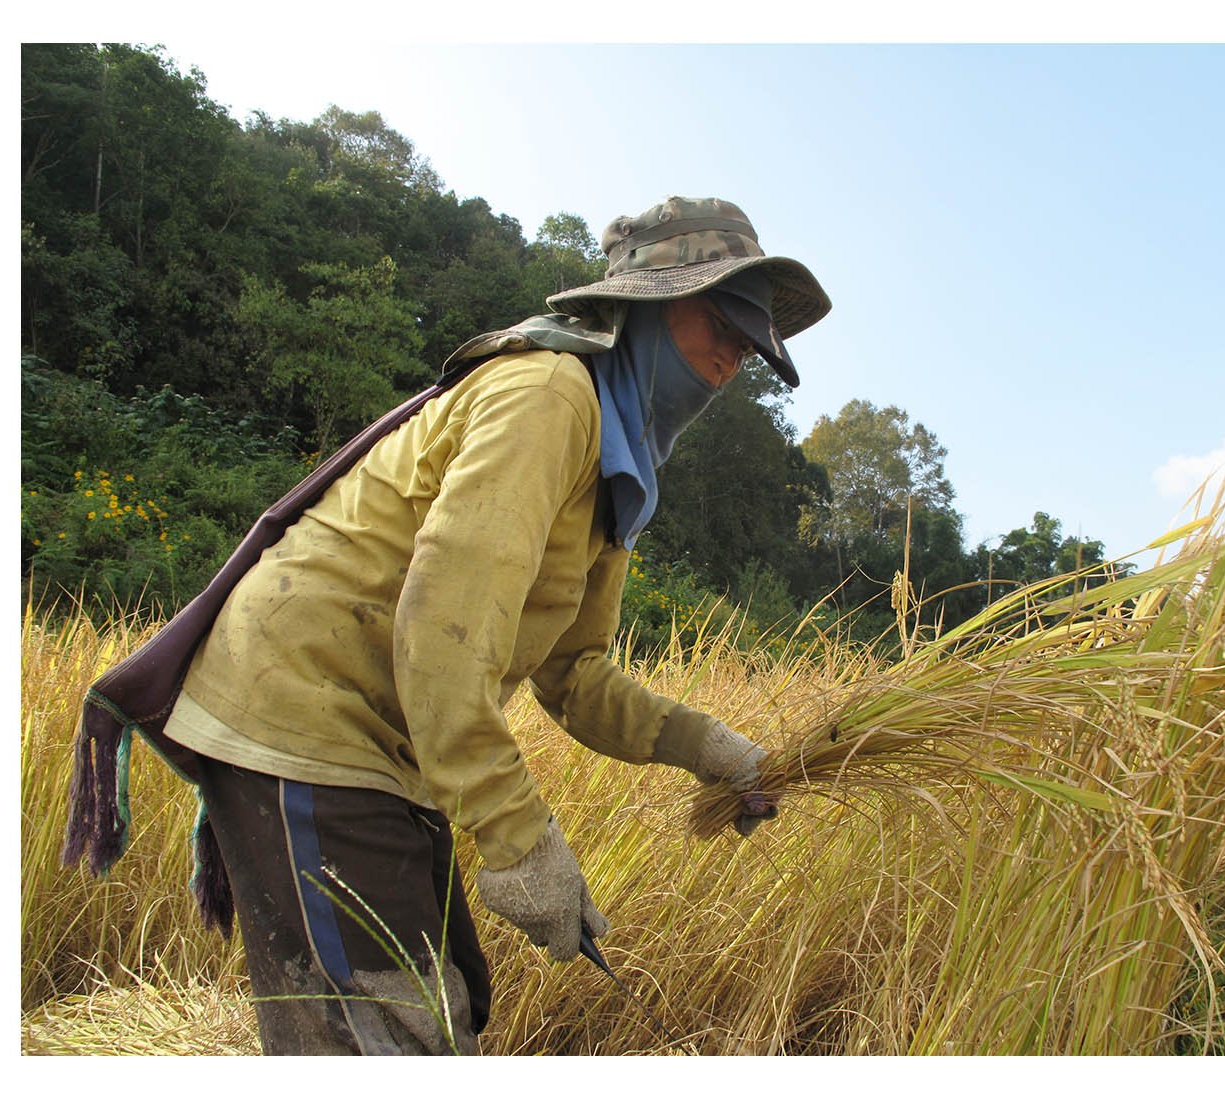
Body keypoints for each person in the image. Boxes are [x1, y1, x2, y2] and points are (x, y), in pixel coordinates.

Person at [133, 196, 829, 1055]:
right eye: (720, 324)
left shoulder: (621, 469)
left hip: (386, 740)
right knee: (390, 1033)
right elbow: (442, 628)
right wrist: (519, 837)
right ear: (647, 304)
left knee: (448, 1005)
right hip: (305, 705)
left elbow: (575, 676)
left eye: (749, 350)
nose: (730, 363)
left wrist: (715, 750)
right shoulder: (549, 397)